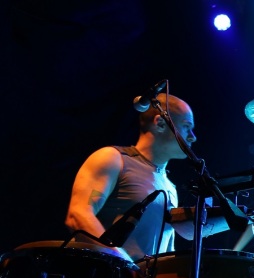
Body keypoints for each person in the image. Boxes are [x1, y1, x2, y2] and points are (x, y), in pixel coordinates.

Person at [65, 92, 224, 261]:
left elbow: (166, 253)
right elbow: (78, 215)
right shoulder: (112, 158)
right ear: (160, 123)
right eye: (186, 126)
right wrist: (124, 264)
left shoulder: (170, 187)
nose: (193, 136)